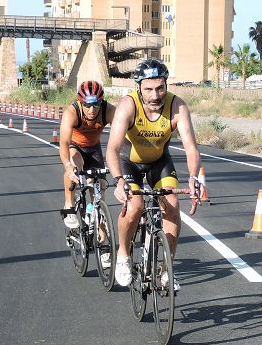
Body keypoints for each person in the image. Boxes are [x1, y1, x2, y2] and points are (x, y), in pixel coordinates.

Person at [106, 58, 201, 290]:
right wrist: (119, 182)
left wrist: (194, 177)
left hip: (160, 162)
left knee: (172, 204)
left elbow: (191, 147)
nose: (155, 95)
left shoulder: (177, 106)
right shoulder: (128, 106)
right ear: (138, 87)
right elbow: (112, 149)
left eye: (160, 88)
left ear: (166, 86)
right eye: (148, 89)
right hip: (130, 164)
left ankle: (166, 268)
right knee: (135, 206)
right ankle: (124, 255)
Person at [59, 80, 113, 231]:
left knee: (99, 191)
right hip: (74, 146)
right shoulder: (72, 112)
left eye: (96, 105)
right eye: (87, 105)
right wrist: (67, 165)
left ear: (101, 102)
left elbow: (123, 136)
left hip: (94, 148)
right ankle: (69, 204)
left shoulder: (108, 110)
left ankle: (102, 241)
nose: (91, 110)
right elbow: (63, 142)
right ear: (80, 102)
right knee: (76, 165)